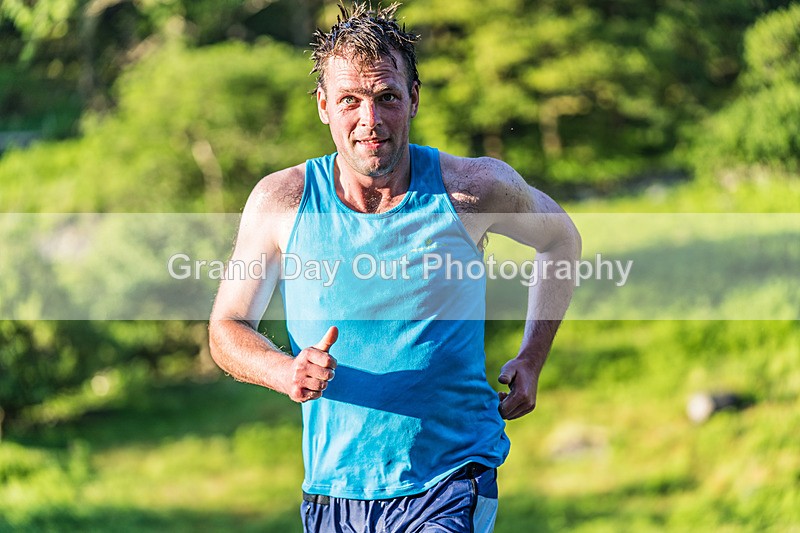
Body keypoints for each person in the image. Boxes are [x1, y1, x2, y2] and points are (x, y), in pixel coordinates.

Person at [208, 3, 581, 532]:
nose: (370, 120)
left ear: (413, 99)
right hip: (333, 490)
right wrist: (282, 370)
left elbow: (560, 240)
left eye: (386, 97)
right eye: (350, 101)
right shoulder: (282, 201)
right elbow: (226, 327)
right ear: (323, 106)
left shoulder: (471, 190)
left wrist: (532, 355)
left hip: (450, 477)